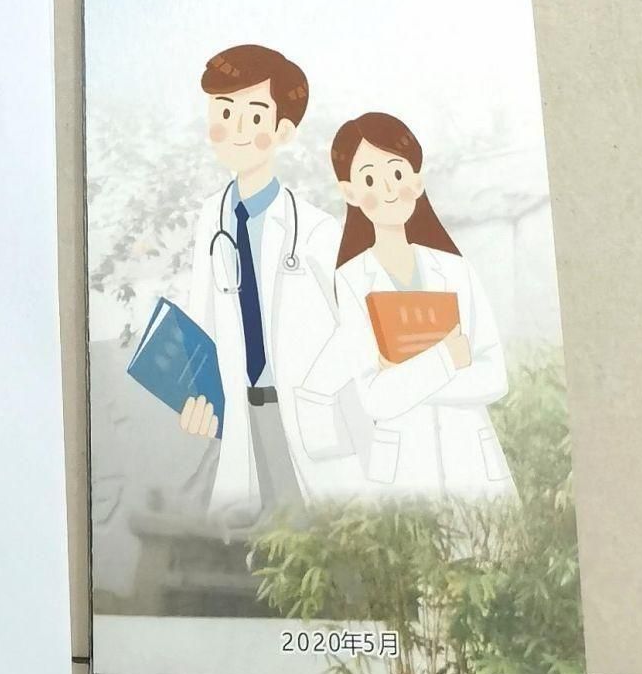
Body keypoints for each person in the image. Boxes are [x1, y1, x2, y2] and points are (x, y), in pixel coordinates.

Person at [175, 43, 366, 520]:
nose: (237, 130)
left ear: (283, 131)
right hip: (243, 410)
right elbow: (201, 320)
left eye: (255, 116)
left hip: (306, 412)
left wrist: (317, 387)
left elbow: (361, 324)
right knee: (258, 541)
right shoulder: (211, 218)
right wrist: (195, 395)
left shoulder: (317, 230)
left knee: (323, 535)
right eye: (225, 112)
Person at [302, 111, 515, 503]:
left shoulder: (457, 269)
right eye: (370, 179)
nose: (387, 189)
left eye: (397, 173)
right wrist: (448, 358)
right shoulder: (351, 281)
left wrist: (404, 376)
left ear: (417, 180)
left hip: (472, 460)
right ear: (349, 193)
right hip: (405, 469)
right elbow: (374, 399)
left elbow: (494, 377)